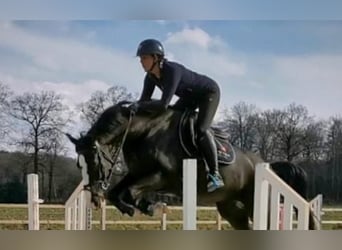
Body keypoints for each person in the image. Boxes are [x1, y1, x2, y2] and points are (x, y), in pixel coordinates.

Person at [135, 38, 224, 192]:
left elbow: (163, 104)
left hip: (208, 93)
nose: (141, 62)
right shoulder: (150, 77)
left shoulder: (171, 70)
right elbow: (143, 102)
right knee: (172, 120)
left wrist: (139, 105)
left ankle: (215, 174)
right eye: (140, 59)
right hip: (190, 96)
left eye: (144, 58)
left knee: (201, 130)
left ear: (156, 58)